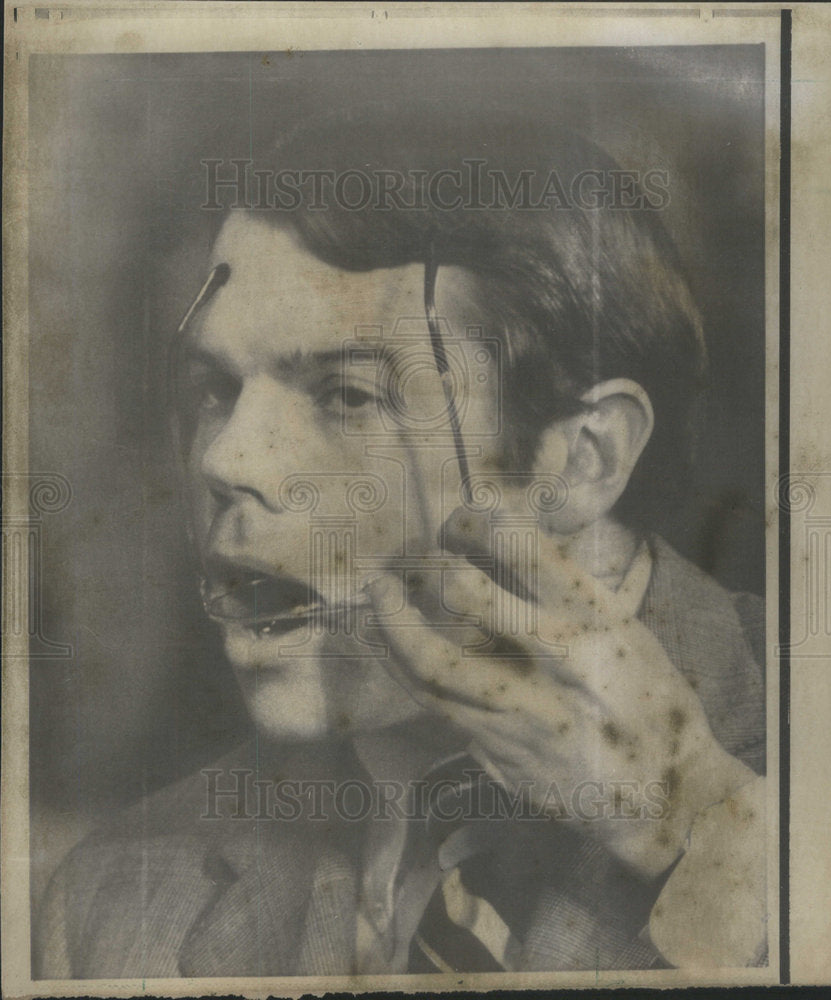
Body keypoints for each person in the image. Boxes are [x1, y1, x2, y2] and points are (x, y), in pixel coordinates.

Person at [34, 110, 766, 978]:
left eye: (346, 396)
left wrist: (707, 831)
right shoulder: (116, 899)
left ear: (583, 458)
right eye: (217, 388)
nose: (227, 458)